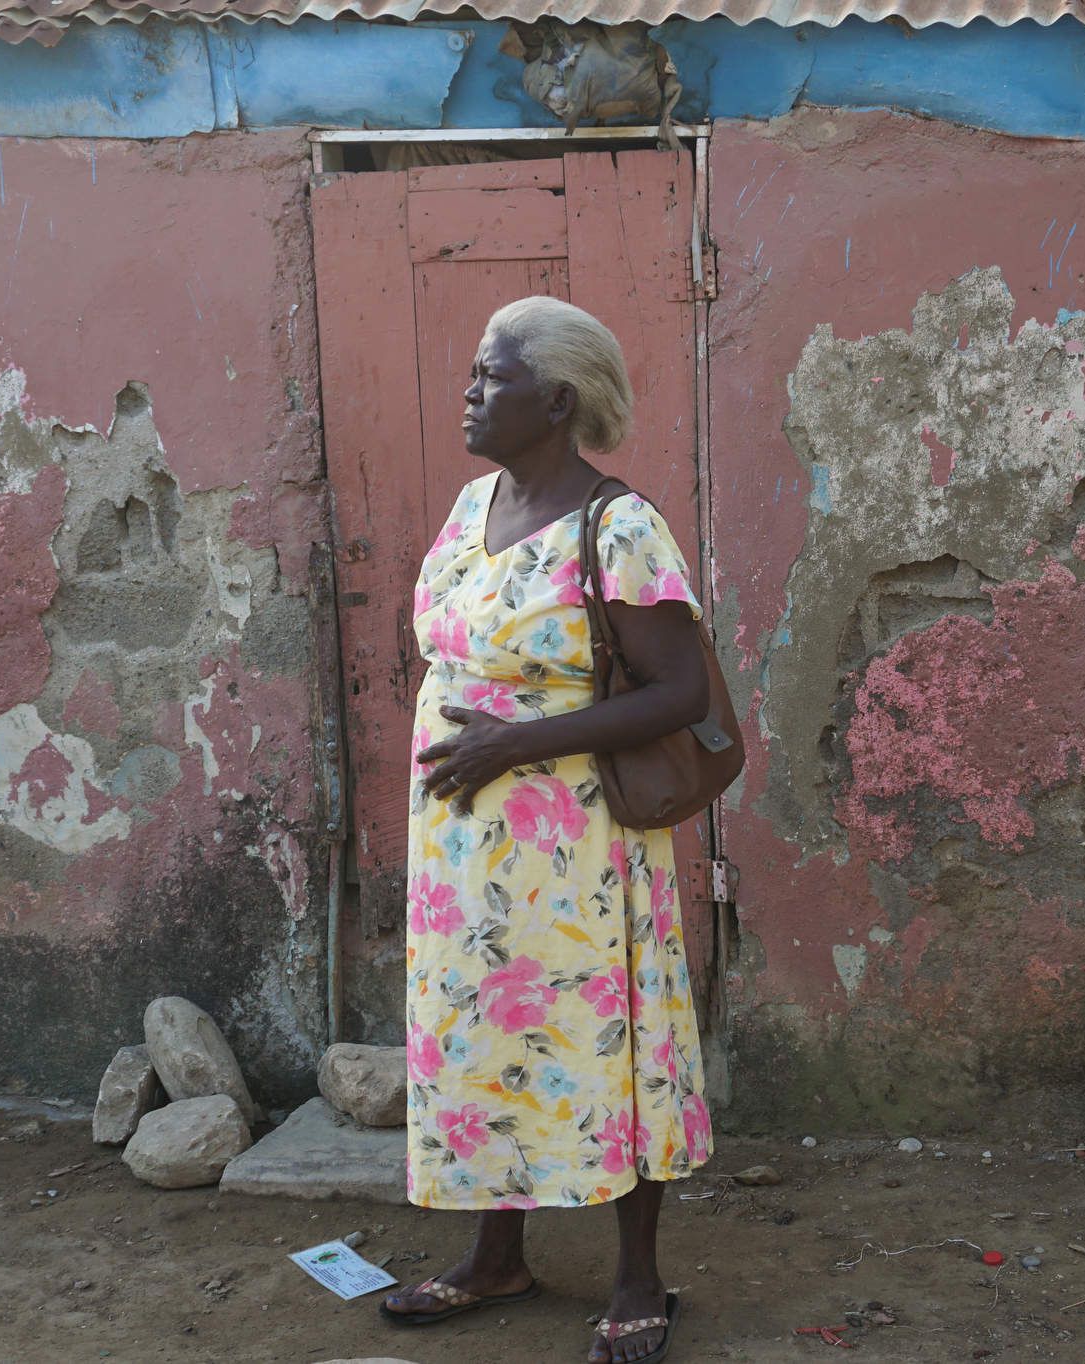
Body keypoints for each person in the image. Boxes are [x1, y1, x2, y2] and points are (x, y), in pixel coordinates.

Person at [378, 295, 713, 1364]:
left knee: (604, 1039)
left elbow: (679, 689)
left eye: (491, 375)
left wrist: (511, 745)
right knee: (483, 1032)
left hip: (580, 850)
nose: (469, 392)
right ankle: (495, 1254)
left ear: (556, 399)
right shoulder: (474, 504)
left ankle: (635, 1276)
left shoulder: (616, 526)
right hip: (464, 855)